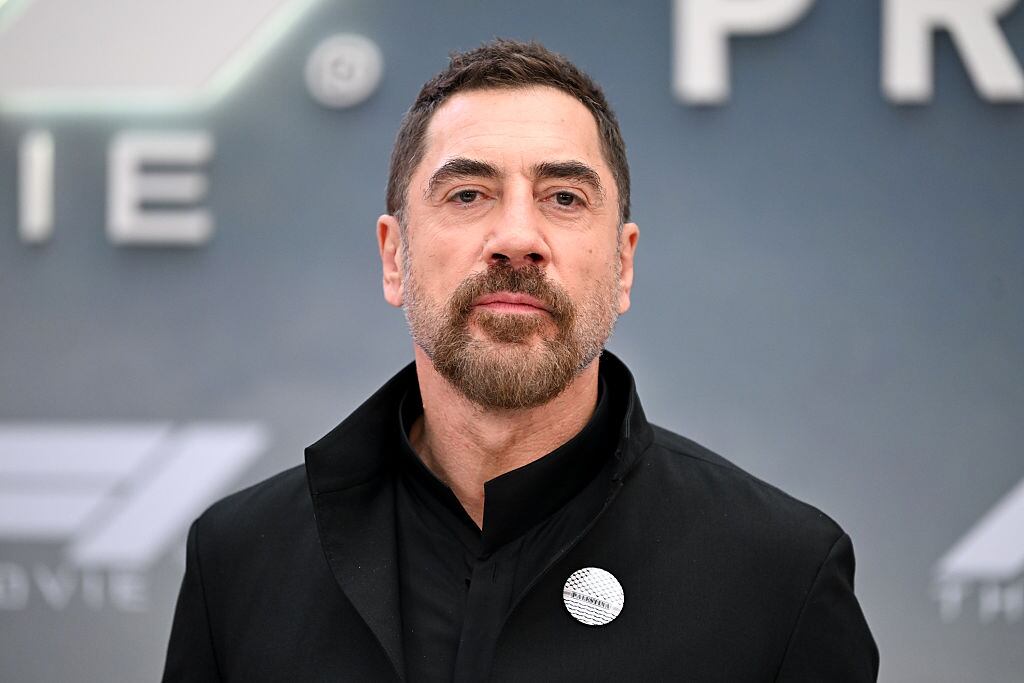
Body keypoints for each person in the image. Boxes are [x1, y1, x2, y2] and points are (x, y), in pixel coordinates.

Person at [163, 39, 878, 681]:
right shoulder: (241, 561)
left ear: (623, 266)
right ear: (393, 255)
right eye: (468, 193)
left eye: (563, 197)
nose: (515, 237)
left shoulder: (779, 578)